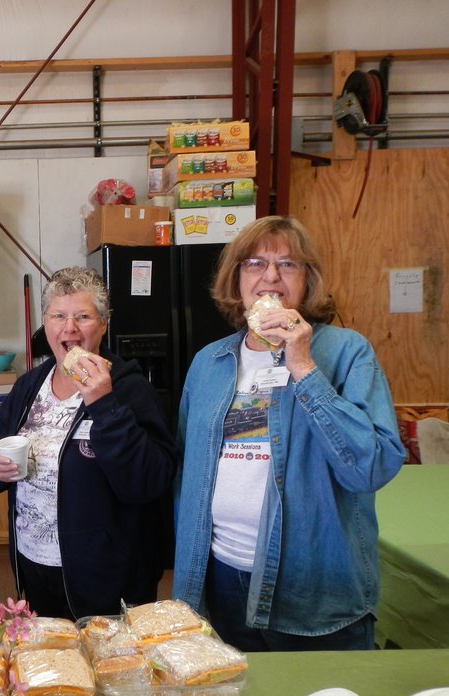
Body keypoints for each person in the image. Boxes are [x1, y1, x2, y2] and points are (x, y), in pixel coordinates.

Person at [172, 215, 406, 652]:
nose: (271, 277)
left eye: (289, 264)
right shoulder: (209, 361)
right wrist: (187, 587)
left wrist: (302, 365)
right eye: (255, 263)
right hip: (221, 579)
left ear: (307, 280)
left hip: (311, 588)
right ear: (236, 278)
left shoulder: (347, 351)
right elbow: (187, 477)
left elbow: (371, 466)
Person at [0, 266, 177, 620]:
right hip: (35, 563)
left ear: (103, 323)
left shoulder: (128, 388)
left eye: (82, 316)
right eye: (58, 316)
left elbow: (149, 482)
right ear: (46, 323)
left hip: (106, 575)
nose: (69, 328)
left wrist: (104, 404)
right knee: (51, 667)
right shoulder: (29, 386)